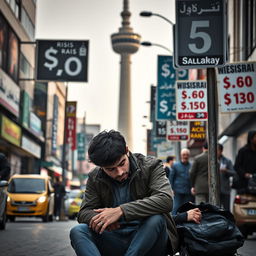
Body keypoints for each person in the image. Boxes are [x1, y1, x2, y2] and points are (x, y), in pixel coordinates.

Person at [70, 130, 179, 256]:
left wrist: (120, 211)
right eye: (111, 169)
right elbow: (83, 212)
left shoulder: (151, 166)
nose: (120, 172)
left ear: (127, 150)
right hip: (114, 237)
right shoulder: (95, 177)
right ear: (100, 167)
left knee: (157, 219)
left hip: (148, 238)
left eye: (122, 163)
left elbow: (166, 200)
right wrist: (102, 220)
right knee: (78, 231)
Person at [169, 148, 194, 214]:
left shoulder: (192, 165)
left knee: (188, 208)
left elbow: (194, 178)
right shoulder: (175, 165)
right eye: (183, 154)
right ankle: (173, 221)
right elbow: (171, 178)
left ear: (189, 155)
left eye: (187, 155)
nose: (185, 156)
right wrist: (171, 189)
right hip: (178, 191)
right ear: (181, 155)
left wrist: (193, 187)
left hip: (188, 191)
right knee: (176, 207)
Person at [217, 143, 235, 211]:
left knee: (226, 209)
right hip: (215, 190)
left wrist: (226, 170)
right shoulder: (210, 161)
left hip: (225, 190)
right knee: (215, 210)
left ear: (221, 151)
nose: (216, 152)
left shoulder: (227, 161)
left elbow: (233, 173)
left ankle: (227, 221)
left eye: (217, 150)